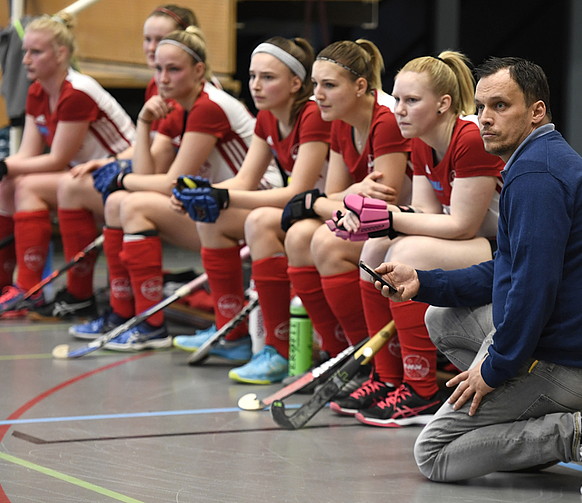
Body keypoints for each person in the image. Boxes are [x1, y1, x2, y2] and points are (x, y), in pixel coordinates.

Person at [373, 57, 582, 497]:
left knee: (435, 454)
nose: (485, 119)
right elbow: (508, 270)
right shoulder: (536, 159)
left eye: (500, 105)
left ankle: (577, 433)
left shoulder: (537, 174)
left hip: (575, 359)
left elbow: (533, 290)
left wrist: (494, 371)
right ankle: (531, 430)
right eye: (480, 107)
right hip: (572, 340)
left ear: (536, 111)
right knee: (440, 317)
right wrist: (424, 282)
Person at [327, 51, 504, 428]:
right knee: (376, 246)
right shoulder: (423, 139)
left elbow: (462, 226)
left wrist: (391, 218)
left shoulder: (470, 137)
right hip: (477, 239)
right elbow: (425, 213)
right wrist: (368, 218)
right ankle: (386, 376)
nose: (399, 111)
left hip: (508, 247)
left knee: (405, 249)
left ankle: (421, 390)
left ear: (443, 104)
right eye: (396, 100)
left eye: (411, 101)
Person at [69, 25, 259, 351]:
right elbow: (150, 172)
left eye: (174, 69)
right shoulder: (176, 107)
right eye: (158, 68)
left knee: (130, 203)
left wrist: (121, 177)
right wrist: (143, 124)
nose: (163, 78)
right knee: (119, 202)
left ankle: (151, 326)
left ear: (199, 70)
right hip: (214, 204)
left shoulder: (207, 107)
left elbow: (171, 183)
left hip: (250, 204)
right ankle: (125, 314)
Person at [0, 12, 136, 318]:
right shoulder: (37, 91)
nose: (25, 59)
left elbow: (57, 159)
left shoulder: (77, 92)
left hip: (121, 175)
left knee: (26, 185)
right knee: (10, 183)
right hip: (83, 176)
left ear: (61, 54)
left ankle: (29, 289)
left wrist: (3, 167)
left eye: (36, 52)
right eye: (25, 51)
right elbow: (26, 155)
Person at [168, 36, 330, 379]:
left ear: (296, 83)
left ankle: (279, 348)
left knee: (259, 222)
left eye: (268, 77)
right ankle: (232, 332)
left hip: (327, 209)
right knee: (212, 219)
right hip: (305, 209)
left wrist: (221, 196)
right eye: (253, 76)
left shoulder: (313, 115)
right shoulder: (267, 117)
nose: (256, 85)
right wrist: (199, 192)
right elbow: (243, 181)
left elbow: (297, 191)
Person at [28, 4, 200, 320]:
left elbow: (162, 171)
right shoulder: (159, 85)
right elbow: (149, 155)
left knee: (104, 196)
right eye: (147, 39)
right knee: (85, 189)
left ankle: (128, 306)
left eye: (160, 40)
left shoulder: (198, 98)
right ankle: (114, 300)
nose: (152, 48)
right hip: (172, 188)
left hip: (200, 200)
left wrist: (121, 174)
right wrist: (115, 162)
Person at [272, 39, 412, 385]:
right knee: (299, 236)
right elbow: (336, 192)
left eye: (329, 85)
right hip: (384, 220)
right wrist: (346, 195)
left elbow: (382, 206)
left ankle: (366, 360)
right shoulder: (340, 119)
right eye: (316, 84)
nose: (317, 94)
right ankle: (340, 353)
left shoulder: (386, 120)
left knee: (326, 242)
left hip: (413, 220)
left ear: (360, 86)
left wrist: (321, 201)